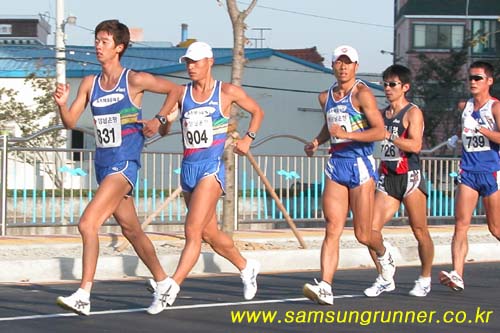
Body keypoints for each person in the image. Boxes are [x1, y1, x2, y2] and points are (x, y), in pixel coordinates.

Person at [53, 19, 180, 316]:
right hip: (104, 163)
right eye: (96, 40)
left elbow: (175, 90)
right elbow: (70, 122)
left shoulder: (134, 80)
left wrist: (158, 120)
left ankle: (84, 294)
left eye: (104, 42)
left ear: (119, 47)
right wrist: (61, 103)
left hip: (125, 162)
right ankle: (164, 282)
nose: (98, 46)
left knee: (87, 223)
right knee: (131, 229)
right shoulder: (89, 83)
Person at [145, 41, 265, 315]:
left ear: (210, 61)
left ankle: (170, 289)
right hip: (188, 168)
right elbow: (163, 125)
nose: (191, 67)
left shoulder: (227, 92)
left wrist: (249, 138)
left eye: (196, 61)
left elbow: (258, 111)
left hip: (211, 169)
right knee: (210, 233)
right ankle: (247, 267)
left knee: (192, 231)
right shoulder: (180, 92)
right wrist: (162, 123)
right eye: (188, 62)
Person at [302, 45, 386, 305]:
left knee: (363, 234)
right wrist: (316, 141)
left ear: (356, 67)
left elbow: (380, 131)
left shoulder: (363, 94)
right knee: (332, 228)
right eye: (339, 62)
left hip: (360, 165)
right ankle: (325, 286)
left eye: (348, 62)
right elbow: (329, 127)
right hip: (337, 165)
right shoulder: (325, 97)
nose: (343, 67)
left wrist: (348, 134)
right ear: (332, 65)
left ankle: (384, 253)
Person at [364, 64, 434, 298]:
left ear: (405, 87)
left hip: (409, 177)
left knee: (420, 230)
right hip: (387, 177)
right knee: (368, 231)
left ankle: (424, 278)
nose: (387, 88)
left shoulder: (413, 112)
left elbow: (415, 145)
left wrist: (390, 136)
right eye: (385, 83)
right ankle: (385, 274)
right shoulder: (382, 114)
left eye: (392, 84)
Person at [440, 61, 500, 291]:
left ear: (489, 81)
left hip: (491, 172)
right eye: (470, 78)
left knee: (495, 228)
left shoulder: (495, 107)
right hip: (468, 172)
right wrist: (457, 137)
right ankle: (457, 273)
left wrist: (481, 129)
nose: (473, 82)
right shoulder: (464, 106)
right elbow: (466, 128)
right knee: (460, 224)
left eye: (478, 78)